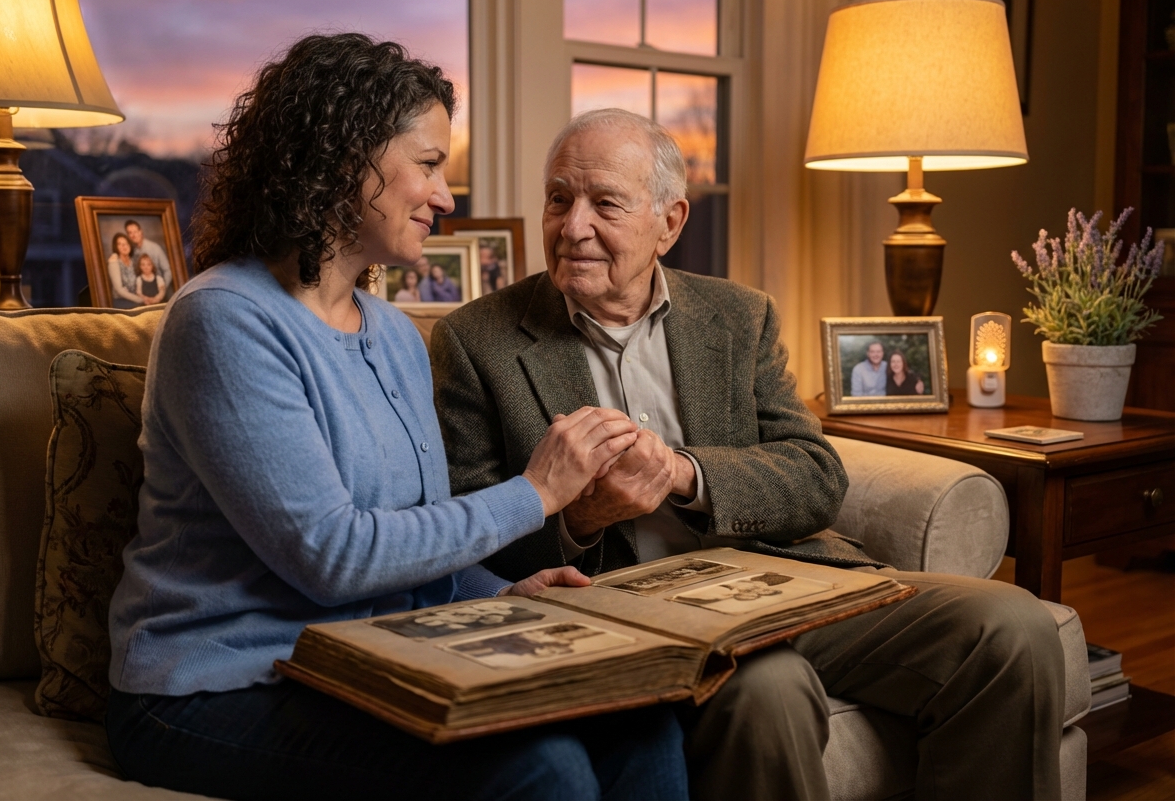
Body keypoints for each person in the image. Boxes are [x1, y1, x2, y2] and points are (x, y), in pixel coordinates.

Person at [105, 39, 688, 801]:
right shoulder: (224, 321)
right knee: (539, 768)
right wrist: (537, 492)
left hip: (363, 659)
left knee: (642, 718)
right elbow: (332, 557)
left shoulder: (394, 335)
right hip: (211, 689)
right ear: (344, 159)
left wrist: (500, 594)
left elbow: (414, 543)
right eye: (429, 163)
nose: (446, 195)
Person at [431, 108, 1065, 801]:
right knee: (770, 689)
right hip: (626, 616)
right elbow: (473, 542)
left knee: (1014, 627)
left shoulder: (737, 316)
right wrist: (578, 521)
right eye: (559, 199)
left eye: (604, 203)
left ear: (669, 223)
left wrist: (684, 473)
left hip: (781, 583)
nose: (573, 225)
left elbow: (816, 477)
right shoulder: (477, 340)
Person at [124, 219, 172, 293]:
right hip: (144, 292)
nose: (133, 235)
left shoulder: (154, 248)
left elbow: (167, 271)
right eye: (130, 233)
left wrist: (162, 290)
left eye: (135, 232)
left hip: (161, 289)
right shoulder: (131, 251)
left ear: (141, 232)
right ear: (128, 236)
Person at [106, 232, 143, 309]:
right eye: (120, 244)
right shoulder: (114, 262)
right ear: (116, 247)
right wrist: (140, 300)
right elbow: (119, 290)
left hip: (136, 297)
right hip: (122, 301)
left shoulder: (133, 260)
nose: (124, 246)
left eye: (126, 243)